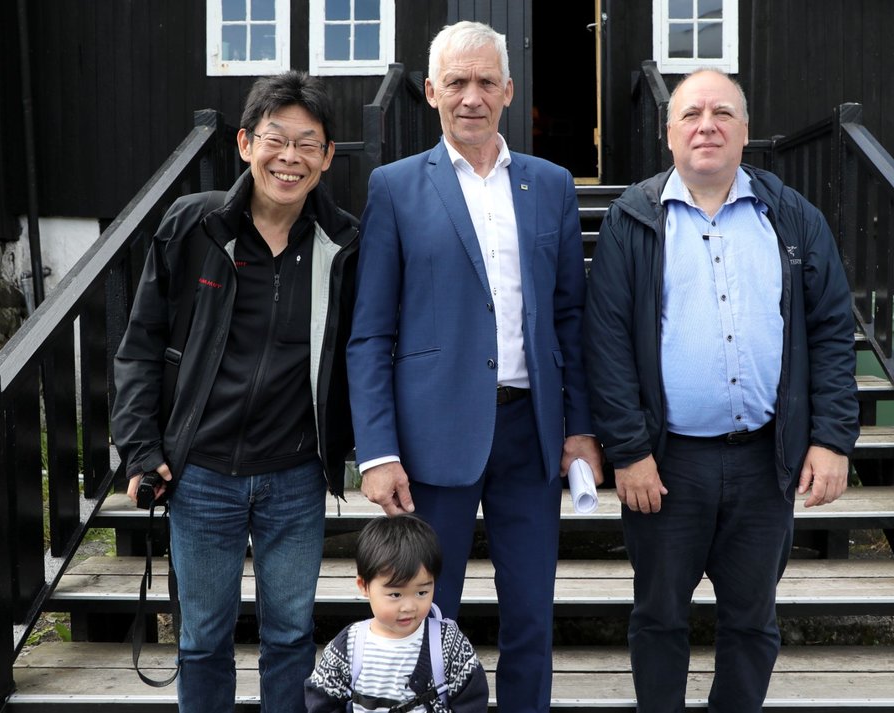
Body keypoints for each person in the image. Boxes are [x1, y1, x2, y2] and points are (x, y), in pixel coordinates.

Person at [582, 68, 859, 712]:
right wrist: (627, 450)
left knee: (752, 621)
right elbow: (608, 343)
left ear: (745, 131)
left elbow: (830, 330)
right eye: (691, 115)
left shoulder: (791, 216)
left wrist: (831, 438)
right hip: (666, 462)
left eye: (722, 114)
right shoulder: (631, 219)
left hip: (766, 460)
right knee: (658, 618)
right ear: (669, 133)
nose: (707, 125)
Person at [345, 20, 602, 713]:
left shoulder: (549, 185)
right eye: (456, 82)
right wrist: (378, 449)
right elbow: (370, 331)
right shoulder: (395, 187)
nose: (471, 96)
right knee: (426, 618)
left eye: (486, 81)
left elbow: (569, 318)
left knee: (531, 618)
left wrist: (579, 427)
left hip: (531, 434)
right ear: (430, 91)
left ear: (508, 91)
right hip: (432, 439)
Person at [111, 70, 359, 712]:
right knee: (202, 641)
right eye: (277, 140)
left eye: (309, 144)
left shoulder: (345, 243)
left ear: (328, 157)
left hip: (296, 474)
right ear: (247, 143)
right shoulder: (194, 226)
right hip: (201, 474)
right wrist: (140, 451)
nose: (291, 158)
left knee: (290, 636)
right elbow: (141, 346)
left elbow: (366, 353)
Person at [304, 514, 489, 712]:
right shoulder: (349, 646)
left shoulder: (449, 644)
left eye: (422, 592)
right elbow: (322, 701)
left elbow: (472, 701)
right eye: (395, 594)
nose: (409, 606)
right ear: (364, 586)